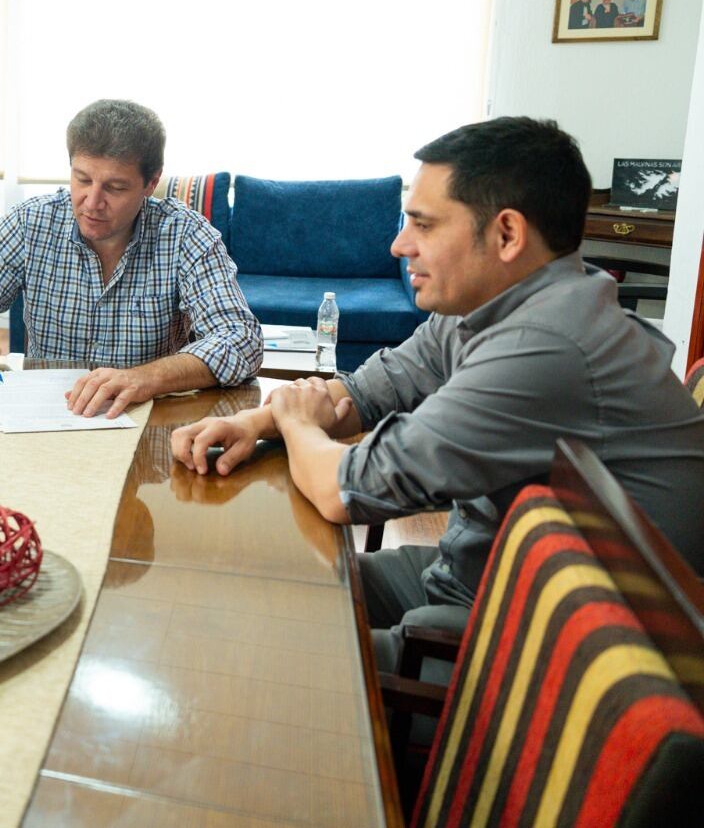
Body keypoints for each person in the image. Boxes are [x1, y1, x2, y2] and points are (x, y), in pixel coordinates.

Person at [169, 117, 704, 668]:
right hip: (477, 576)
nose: (399, 246)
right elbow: (369, 391)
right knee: (250, 582)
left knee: (240, 649)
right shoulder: (500, 302)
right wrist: (256, 423)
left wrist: (298, 425)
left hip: (557, 658)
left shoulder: (545, 347)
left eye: (423, 225)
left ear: (506, 235)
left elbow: (346, 491)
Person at [0, 99, 262, 416]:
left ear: (151, 183)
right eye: (82, 179)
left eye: (115, 188)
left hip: (145, 422)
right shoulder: (29, 224)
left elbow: (240, 339)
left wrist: (144, 378)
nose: (91, 201)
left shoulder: (185, 235)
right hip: (43, 419)